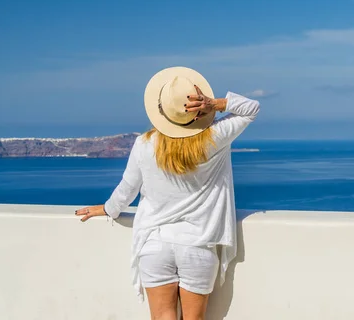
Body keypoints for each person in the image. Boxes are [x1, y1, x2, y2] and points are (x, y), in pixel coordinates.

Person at [75, 67, 260, 320]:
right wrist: (214, 104)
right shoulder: (215, 138)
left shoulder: (144, 144)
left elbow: (127, 190)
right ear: (198, 109)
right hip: (198, 246)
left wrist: (108, 209)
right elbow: (251, 108)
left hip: (155, 244)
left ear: (161, 110)